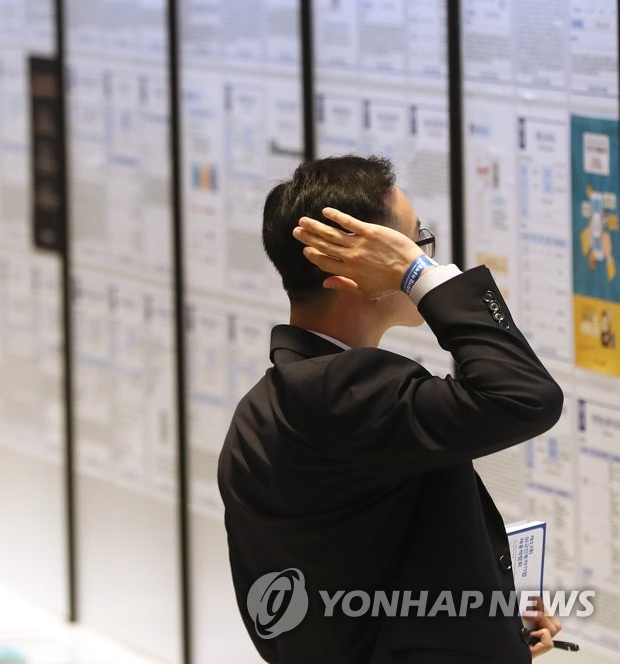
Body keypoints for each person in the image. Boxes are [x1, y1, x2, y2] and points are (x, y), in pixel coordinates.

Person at [218, 155, 565, 663]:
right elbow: (526, 396)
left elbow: (353, 578)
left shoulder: (262, 407)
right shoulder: (348, 391)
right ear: (347, 268)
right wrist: (418, 275)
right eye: (411, 243)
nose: (424, 256)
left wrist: (487, 630)